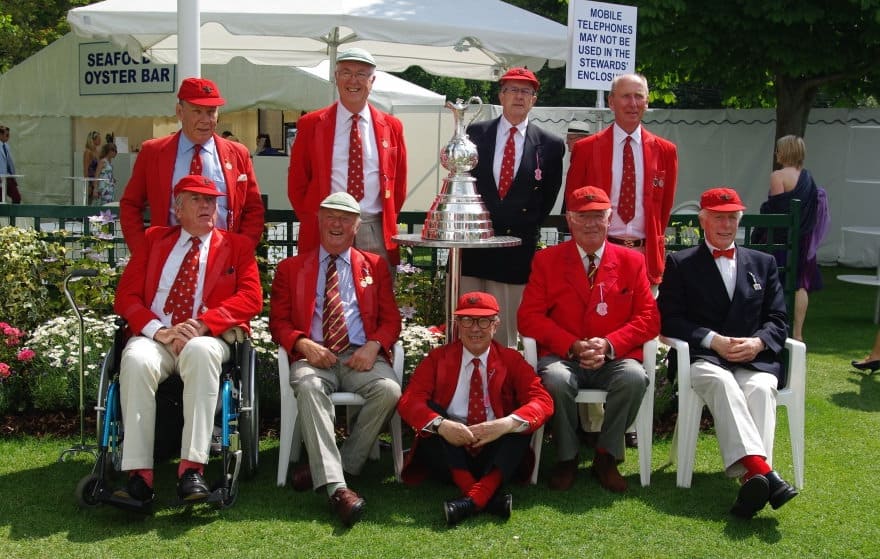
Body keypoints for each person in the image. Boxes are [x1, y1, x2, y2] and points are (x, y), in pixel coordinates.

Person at [111, 175, 263, 508]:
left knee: (199, 351)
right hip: (158, 336)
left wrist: (203, 325)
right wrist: (157, 330)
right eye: (198, 200)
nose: (208, 206)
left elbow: (251, 298)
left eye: (212, 200)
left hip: (207, 337)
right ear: (177, 208)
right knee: (135, 360)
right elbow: (125, 297)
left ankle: (191, 469)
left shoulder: (236, 246)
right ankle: (139, 476)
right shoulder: (154, 240)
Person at [657, 187, 799, 519]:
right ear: (702, 220)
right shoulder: (680, 263)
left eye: (732, 218)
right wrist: (711, 340)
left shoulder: (763, 263)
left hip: (753, 358)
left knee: (762, 389)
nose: (726, 225)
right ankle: (762, 473)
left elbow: (778, 319)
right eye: (719, 218)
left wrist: (759, 343)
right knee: (721, 383)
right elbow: (670, 319)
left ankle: (757, 478)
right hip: (704, 358)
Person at [269, 191, 402, 527]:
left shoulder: (374, 267)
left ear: (357, 226)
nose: (337, 224)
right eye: (330, 216)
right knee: (310, 387)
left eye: (345, 219)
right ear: (319, 221)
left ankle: (333, 466)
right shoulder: (291, 268)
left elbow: (391, 320)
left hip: (360, 356)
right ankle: (338, 489)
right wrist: (303, 343)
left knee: (389, 390)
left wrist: (374, 345)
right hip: (314, 356)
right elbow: (279, 322)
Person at [517, 186, 659, 493]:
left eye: (598, 216)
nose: (591, 224)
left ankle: (606, 457)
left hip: (614, 357)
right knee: (554, 379)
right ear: (570, 220)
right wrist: (572, 344)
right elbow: (528, 317)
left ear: (610, 219)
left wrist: (609, 345)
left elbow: (649, 318)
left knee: (634, 378)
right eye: (583, 217)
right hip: (564, 355)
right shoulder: (547, 260)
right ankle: (567, 457)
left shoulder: (632, 261)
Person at [397, 291, 553, 525]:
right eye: (467, 320)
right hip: (448, 453)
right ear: (458, 324)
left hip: (494, 451)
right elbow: (410, 400)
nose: (475, 329)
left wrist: (504, 424)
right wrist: (443, 425)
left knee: (520, 423)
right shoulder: (438, 358)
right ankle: (484, 498)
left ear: (496, 324)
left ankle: (471, 500)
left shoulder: (511, 359)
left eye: (483, 321)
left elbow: (542, 400)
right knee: (431, 416)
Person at [460, 67, 565, 347]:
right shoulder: (475, 133)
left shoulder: (550, 145)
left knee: (504, 331)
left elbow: (548, 198)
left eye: (526, 91)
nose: (519, 97)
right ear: (501, 95)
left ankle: (502, 385)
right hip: (473, 245)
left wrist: (520, 222)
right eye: (513, 90)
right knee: (467, 321)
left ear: (534, 99)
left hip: (516, 249)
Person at [288, 47, 407, 269]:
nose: (353, 80)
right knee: (323, 295)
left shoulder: (392, 127)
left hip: (373, 227)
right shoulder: (311, 124)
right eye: (346, 72)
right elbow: (297, 182)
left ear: (372, 80)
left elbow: (398, 184)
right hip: (326, 224)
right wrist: (316, 218)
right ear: (336, 77)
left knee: (375, 298)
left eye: (361, 74)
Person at [120, 77, 265, 255]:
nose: (206, 120)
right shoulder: (153, 152)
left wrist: (241, 248)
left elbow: (254, 209)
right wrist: (143, 251)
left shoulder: (238, 153)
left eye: (211, 112)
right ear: (180, 112)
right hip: (168, 259)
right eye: (197, 111)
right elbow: (130, 204)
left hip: (223, 259)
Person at [565, 73, 678, 290]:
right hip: (598, 252)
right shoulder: (586, 149)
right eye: (626, 96)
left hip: (645, 257)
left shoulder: (665, 151)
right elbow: (573, 205)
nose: (633, 104)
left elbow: (663, 208)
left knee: (642, 321)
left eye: (639, 96)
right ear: (611, 102)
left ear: (647, 101)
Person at [764, 134, 830, 342]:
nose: (776, 154)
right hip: (805, 239)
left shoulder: (778, 176)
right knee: (801, 285)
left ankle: (772, 326)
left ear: (784, 152)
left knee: (773, 281)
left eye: (778, 150)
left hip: (784, 239)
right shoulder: (808, 176)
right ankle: (798, 333)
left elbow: (776, 210)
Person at [0, 125, 22, 204]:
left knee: (17, 197)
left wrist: (13, 176)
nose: (8, 137)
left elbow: (9, 163)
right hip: (0, 177)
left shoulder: (6, 146)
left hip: (8, 177)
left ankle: (13, 216)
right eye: (7, 135)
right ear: (1, 135)